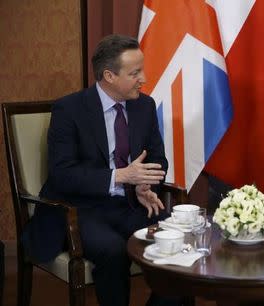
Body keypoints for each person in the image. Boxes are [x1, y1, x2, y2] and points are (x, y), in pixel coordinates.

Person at [22, 34, 176, 306]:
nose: (145, 78)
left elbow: (157, 160)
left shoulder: (145, 105)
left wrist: (143, 185)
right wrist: (120, 177)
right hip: (79, 208)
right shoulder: (69, 109)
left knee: (176, 242)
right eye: (135, 72)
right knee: (113, 250)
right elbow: (62, 173)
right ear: (109, 75)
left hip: (131, 203)